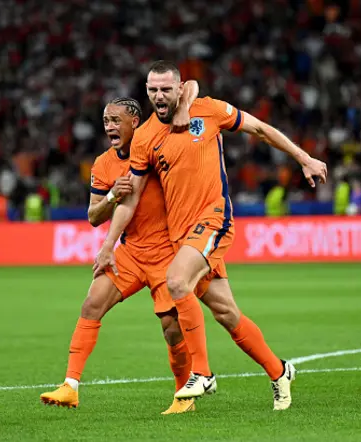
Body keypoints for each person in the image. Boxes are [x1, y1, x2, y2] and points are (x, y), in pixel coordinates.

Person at [94, 60, 328, 410]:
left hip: (213, 219)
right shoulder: (143, 138)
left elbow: (261, 129)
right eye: (153, 90)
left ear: (179, 87)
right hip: (180, 234)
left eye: (166, 89)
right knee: (226, 313)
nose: (159, 95)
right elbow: (132, 198)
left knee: (176, 282)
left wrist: (303, 157)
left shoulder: (210, 110)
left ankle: (202, 372)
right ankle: (280, 372)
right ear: (147, 91)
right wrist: (108, 245)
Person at [41, 82, 200, 415]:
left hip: (166, 253)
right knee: (91, 305)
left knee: (171, 328)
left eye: (115, 120)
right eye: (105, 121)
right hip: (129, 252)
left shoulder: (158, 151)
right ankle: (70, 387)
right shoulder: (102, 164)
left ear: (134, 123)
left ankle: (184, 397)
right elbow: (93, 216)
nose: (109, 126)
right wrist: (113, 194)